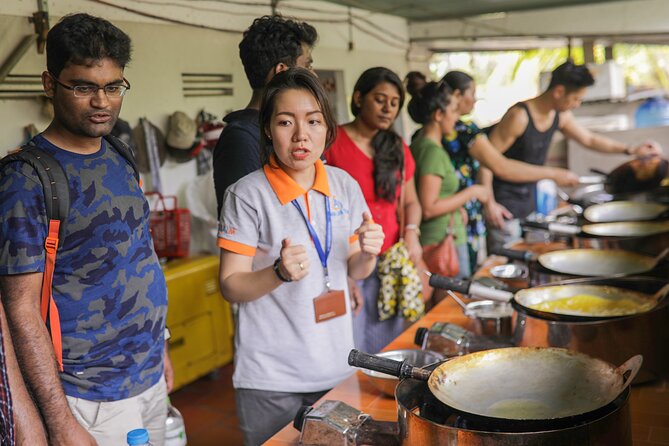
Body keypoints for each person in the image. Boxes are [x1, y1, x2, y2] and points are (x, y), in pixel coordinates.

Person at [0, 14, 172, 445]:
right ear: (49, 83)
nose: (102, 101)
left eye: (113, 87)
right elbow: (20, 309)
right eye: (83, 87)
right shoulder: (25, 180)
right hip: (89, 396)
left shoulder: (118, 150)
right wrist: (61, 422)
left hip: (148, 375)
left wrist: (159, 346)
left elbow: (139, 255)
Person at [218, 68, 384, 446]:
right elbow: (230, 284)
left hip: (337, 366)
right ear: (267, 129)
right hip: (271, 376)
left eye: (312, 121)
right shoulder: (247, 194)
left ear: (328, 128)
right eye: (285, 122)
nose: (300, 135)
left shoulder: (344, 184)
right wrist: (277, 272)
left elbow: (355, 268)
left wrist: (369, 252)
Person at [486, 60, 663, 250]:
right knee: (505, 260)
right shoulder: (518, 117)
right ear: (559, 92)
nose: (577, 104)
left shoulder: (559, 115)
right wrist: (489, 203)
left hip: (527, 200)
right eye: (576, 98)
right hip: (502, 203)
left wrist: (631, 150)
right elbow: (487, 162)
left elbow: (589, 140)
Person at [325, 67, 423, 354]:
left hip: (390, 258)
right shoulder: (332, 144)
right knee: (352, 344)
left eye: (394, 103)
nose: (387, 108)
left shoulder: (397, 148)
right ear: (358, 98)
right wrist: (345, 277)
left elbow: (411, 202)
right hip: (347, 259)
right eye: (380, 99)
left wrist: (412, 233)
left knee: (389, 344)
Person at [213, 15, 317, 216]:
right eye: (307, 65)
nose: (313, 74)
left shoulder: (300, 131)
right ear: (281, 72)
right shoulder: (242, 139)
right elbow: (242, 221)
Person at [407, 80, 490, 278]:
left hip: (442, 236)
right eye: (453, 111)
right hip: (441, 240)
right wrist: (472, 192)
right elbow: (429, 208)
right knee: (452, 304)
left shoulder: (421, 145)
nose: (456, 117)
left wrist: (456, 205)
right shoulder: (432, 152)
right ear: (438, 115)